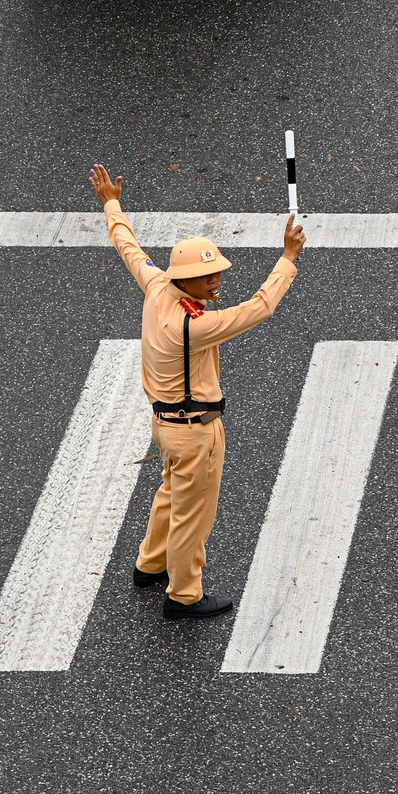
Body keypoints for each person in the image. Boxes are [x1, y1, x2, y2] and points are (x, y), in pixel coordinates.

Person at [90, 162, 306, 620]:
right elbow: (259, 308)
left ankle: (149, 564)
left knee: (171, 492)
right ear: (183, 279)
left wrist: (113, 203)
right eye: (207, 277)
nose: (217, 282)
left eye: (218, 273)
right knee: (195, 516)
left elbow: (130, 249)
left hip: (167, 426)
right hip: (195, 431)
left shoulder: (157, 287)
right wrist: (288, 258)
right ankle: (184, 594)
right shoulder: (192, 325)